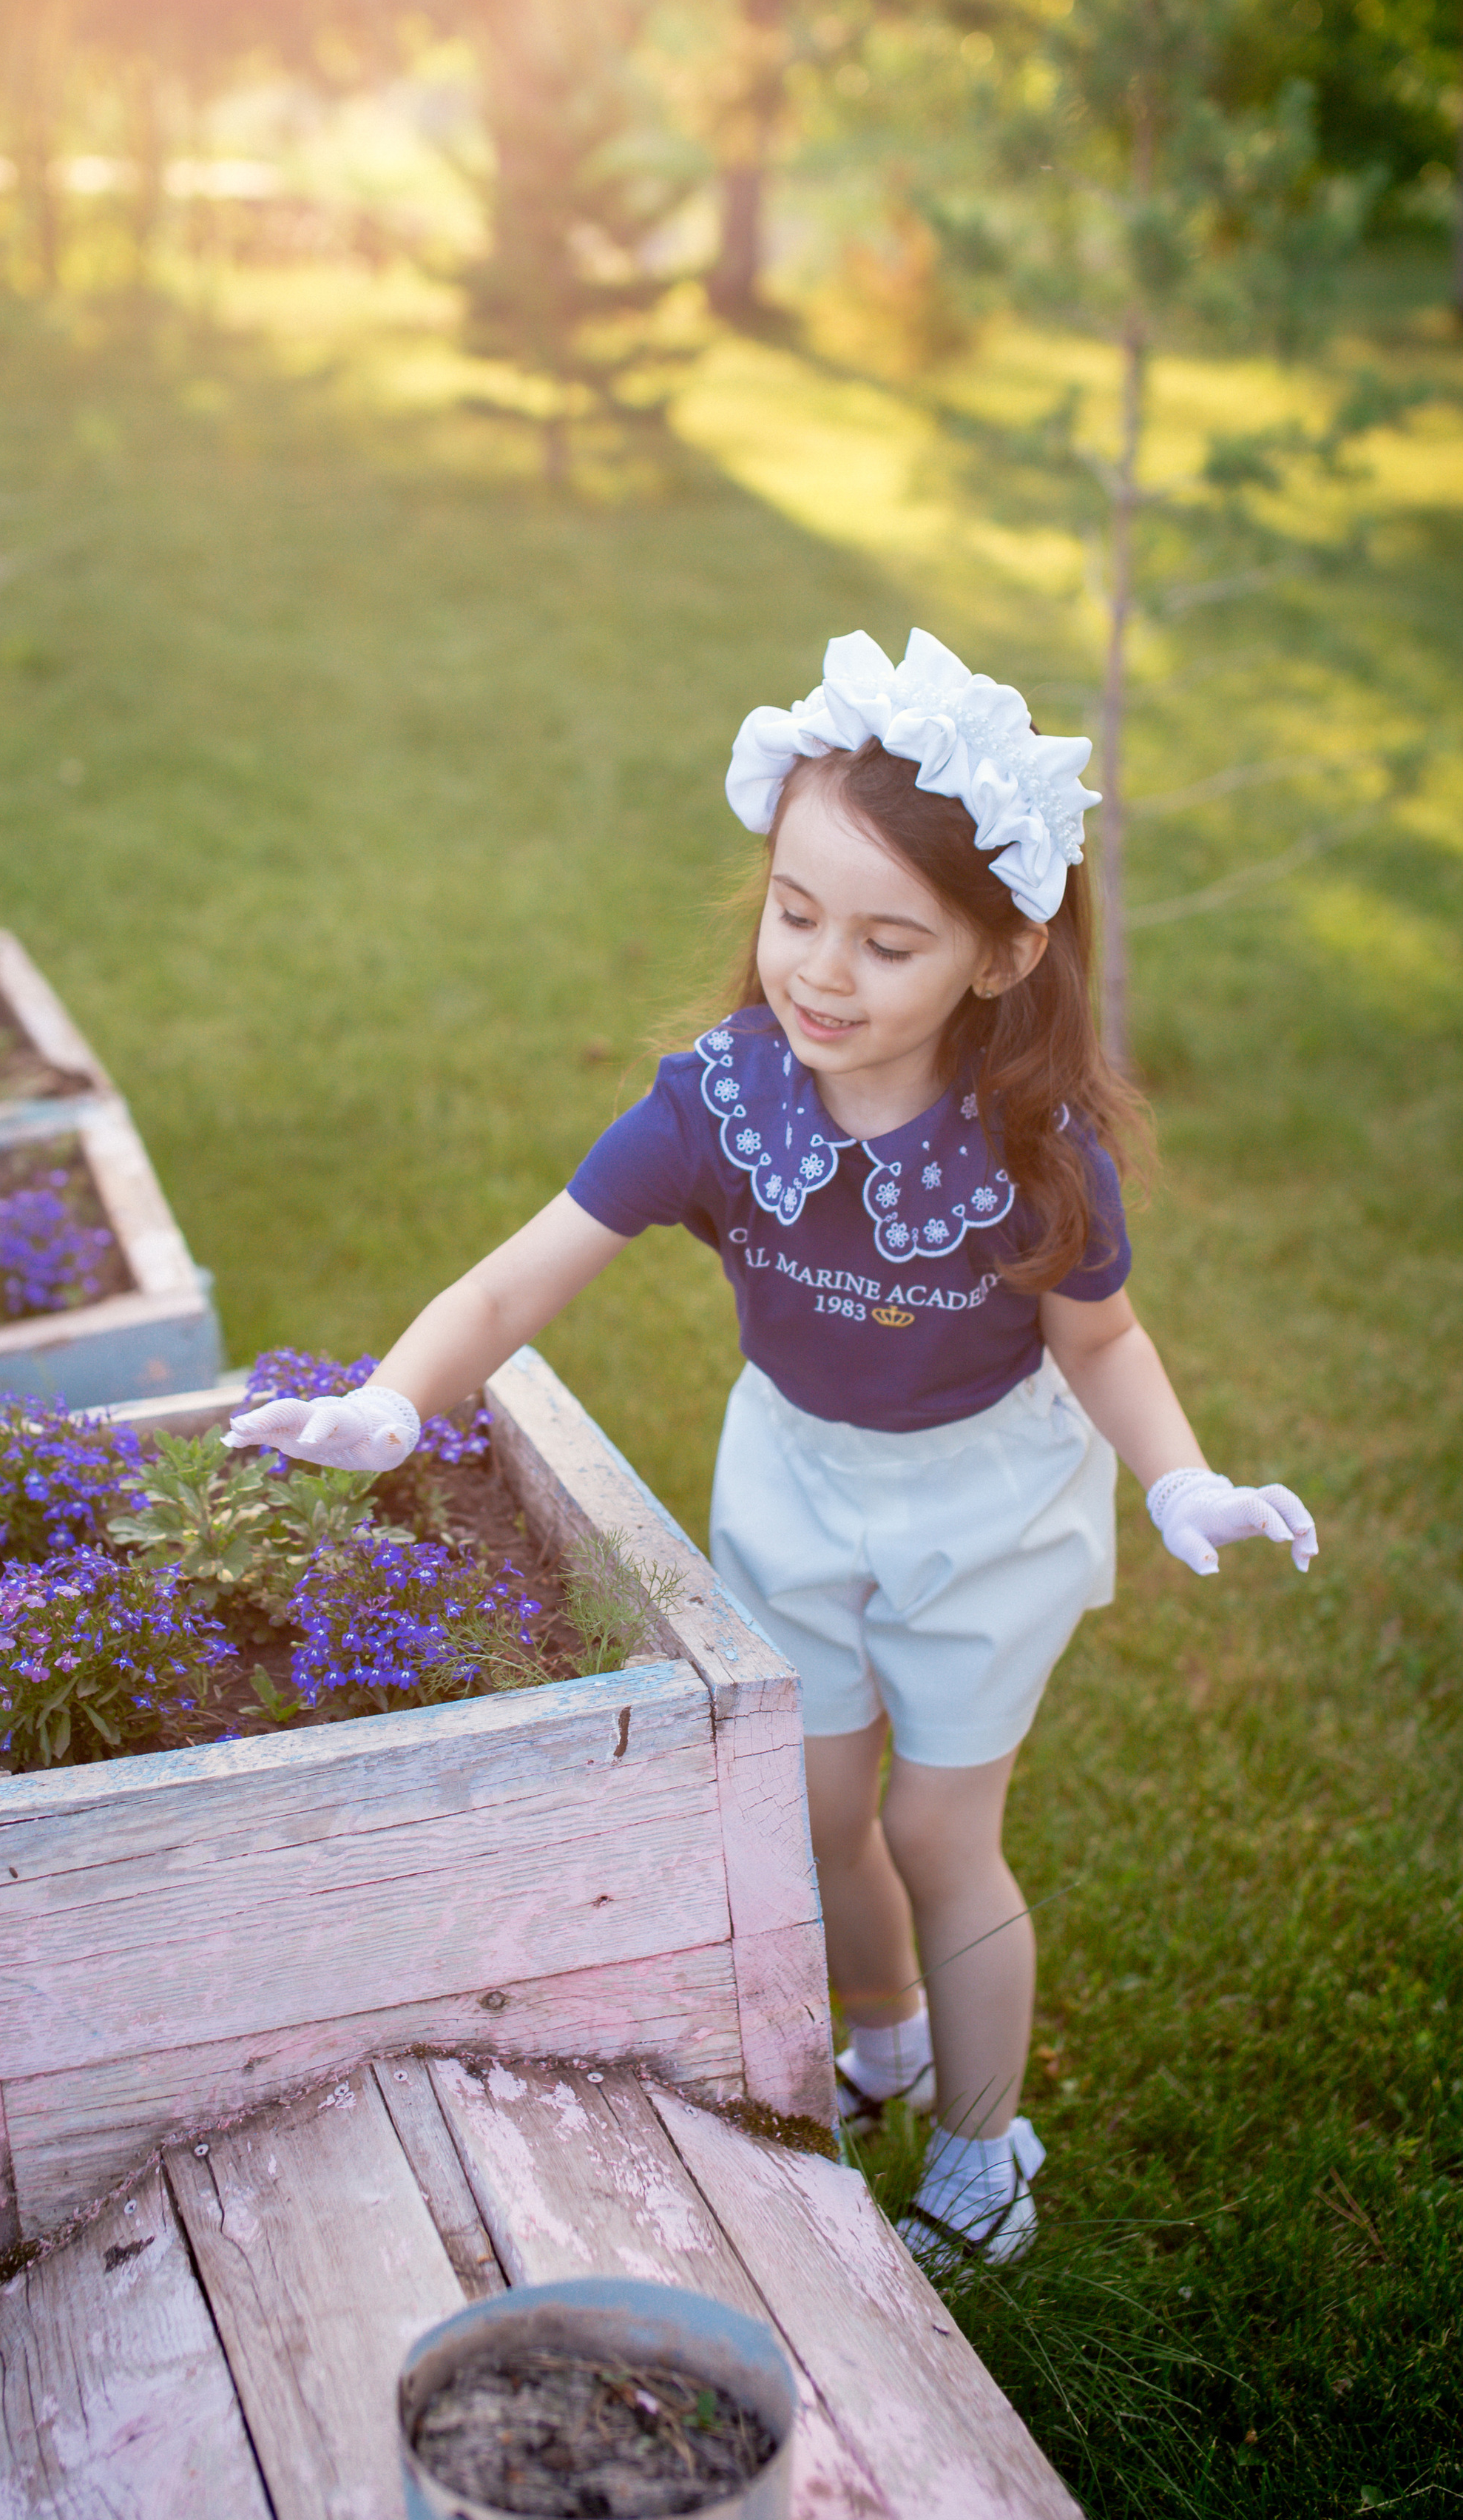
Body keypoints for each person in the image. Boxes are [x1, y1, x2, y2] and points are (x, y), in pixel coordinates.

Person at [228, 627, 1317, 2271]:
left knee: (940, 1835)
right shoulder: (716, 1107)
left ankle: (979, 2147)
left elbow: (1096, 1338)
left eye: (886, 942)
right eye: (794, 914)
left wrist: (1178, 1479)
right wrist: (397, 1396)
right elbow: (525, 1270)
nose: (817, 970)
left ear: (1001, 955)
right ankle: (877, 2043)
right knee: (816, 1812)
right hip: (795, 1483)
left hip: (982, 1514)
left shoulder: (1036, 1154)